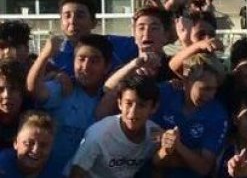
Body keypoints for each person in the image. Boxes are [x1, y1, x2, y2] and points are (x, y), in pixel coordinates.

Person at [26, 34, 111, 178]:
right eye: (81, 59)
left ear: (107, 66)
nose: (86, 66)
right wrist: (45, 56)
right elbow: (34, 89)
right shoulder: (64, 88)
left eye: (94, 61)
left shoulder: (111, 99)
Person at [152, 54, 228, 178]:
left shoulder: (218, 115)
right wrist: (191, 156)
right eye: (206, 89)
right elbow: (148, 150)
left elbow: (204, 167)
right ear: (186, 80)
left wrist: (178, 146)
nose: (211, 96)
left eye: (215, 89)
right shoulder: (163, 94)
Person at [70, 75, 161, 178]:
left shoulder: (155, 134)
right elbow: (76, 173)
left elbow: (159, 168)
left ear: (154, 108)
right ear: (119, 103)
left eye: (141, 105)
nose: (133, 113)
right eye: (129, 103)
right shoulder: (98, 134)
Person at [0, 110, 56, 178]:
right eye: (28, 143)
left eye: (43, 145)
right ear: (15, 143)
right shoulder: (2, 165)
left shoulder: (54, 173)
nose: (36, 150)